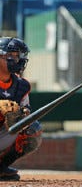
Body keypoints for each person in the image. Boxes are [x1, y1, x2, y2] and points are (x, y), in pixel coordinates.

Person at [0, 37, 42, 181]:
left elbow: (26, 109)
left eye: (18, 55)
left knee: (32, 129)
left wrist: (23, 115)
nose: (16, 59)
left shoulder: (22, 85)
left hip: (3, 132)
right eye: (10, 55)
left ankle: (1, 168)